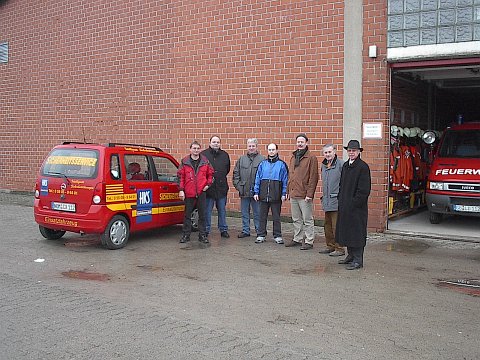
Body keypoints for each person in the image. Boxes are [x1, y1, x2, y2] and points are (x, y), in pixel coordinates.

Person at [336, 139, 371, 270]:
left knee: (357, 233)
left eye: (354, 151)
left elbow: (364, 190)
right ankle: (350, 256)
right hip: (345, 206)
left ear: (359, 152)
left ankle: (358, 259)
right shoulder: (346, 166)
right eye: (349, 151)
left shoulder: (363, 167)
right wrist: (341, 200)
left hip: (357, 209)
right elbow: (342, 185)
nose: (351, 153)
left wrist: (354, 203)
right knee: (347, 232)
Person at [285, 134, 319, 250]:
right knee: (296, 219)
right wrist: (288, 190)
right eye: (298, 142)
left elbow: (313, 177)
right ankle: (297, 238)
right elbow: (291, 176)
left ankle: (309, 240)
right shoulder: (293, 157)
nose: (299, 144)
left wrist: (310, 194)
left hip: (304, 195)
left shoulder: (311, 158)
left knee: (307, 219)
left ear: (306, 143)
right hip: (294, 193)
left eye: (302, 142)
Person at [177, 141, 214, 245]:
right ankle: (186, 235)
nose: (196, 150)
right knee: (187, 215)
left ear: (200, 149)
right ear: (190, 149)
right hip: (189, 192)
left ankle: (202, 235)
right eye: (194, 148)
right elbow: (180, 177)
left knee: (202, 215)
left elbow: (211, 174)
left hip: (202, 192)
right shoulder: (184, 161)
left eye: (198, 148)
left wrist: (208, 185)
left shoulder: (205, 161)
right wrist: (181, 190)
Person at [253, 143, 288, 244]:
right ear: (267, 151)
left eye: (273, 149)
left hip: (276, 195)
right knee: (262, 216)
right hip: (263, 194)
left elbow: (285, 180)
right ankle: (261, 234)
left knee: (276, 217)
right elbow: (257, 179)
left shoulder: (282, 164)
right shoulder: (262, 164)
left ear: (277, 150)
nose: (271, 151)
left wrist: (283, 193)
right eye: (269, 149)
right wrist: (256, 192)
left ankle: (277, 235)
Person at [232, 138, 265, 238]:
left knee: (257, 213)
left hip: (256, 193)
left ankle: (259, 231)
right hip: (244, 191)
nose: (251, 148)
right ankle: (245, 230)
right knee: (244, 213)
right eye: (249, 146)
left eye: (253, 146)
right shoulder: (241, 159)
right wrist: (239, 186)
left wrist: (260, 190)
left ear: (256, 147)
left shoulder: (262, 159)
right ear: (247, 146)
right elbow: (235, 174)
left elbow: (264, 176)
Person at [201, 135, 231, 238]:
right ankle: (206, 230)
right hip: (208, 189)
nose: (216, 144)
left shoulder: (225, 155)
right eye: (214, 142)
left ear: (220, 143)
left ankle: (223, 229)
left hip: (221, 188)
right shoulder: (203, 155)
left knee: (222, 210)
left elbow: (227, 169)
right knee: (207, 211)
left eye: (217, 142)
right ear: (210, 143)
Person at [319, 144, 345, 256]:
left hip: (337, 200)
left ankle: (339, 248)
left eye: (329, 152)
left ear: (334, 151)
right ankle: (330, 245)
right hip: (327, 200)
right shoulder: (323, 165)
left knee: (337, 226)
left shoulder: (341, 164)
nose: (328, 154)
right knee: (327, 225)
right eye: (325, 152)